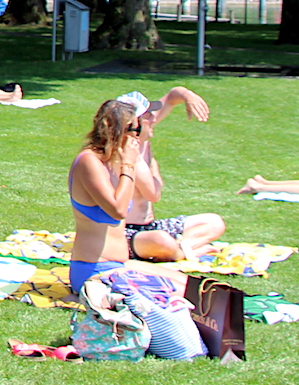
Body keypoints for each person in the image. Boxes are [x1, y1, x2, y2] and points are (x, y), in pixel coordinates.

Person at [67, 99, 203, 359]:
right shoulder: (89, 162)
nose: (136, 136)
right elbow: (118, 210)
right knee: (174, 291)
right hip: (94, 271)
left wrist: (131, 162)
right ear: (115, 130)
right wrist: (129, 165)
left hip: (119, 266)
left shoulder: (111, 163)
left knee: (191, 286)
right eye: (133, 130)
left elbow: (151, 193)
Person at [112, 88, 226, 262]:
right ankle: (181, 250)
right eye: (149, 115)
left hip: (150, 226)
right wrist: (154, 166)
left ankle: (179, 248)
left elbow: (173, 96)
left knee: (214, 222)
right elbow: (154, 194)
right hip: (125, 231)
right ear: (136, 122)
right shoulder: (129, 153)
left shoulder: (141, 137)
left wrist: (189, 97)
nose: (154, 118)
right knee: (161, 240)